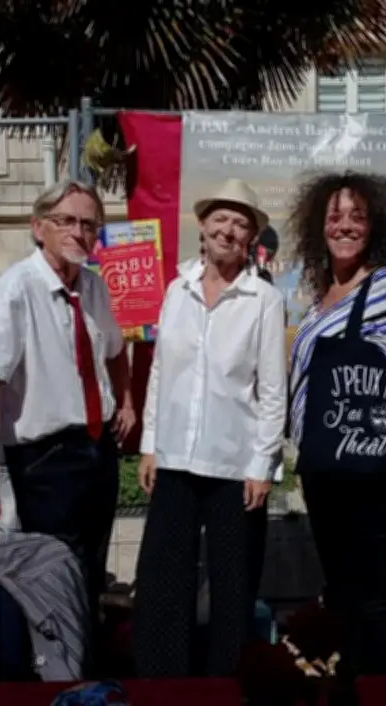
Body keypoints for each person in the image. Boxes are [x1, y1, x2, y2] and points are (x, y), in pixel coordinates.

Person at [0, 179, 136, 671]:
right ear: (39, 227)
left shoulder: (94, 285)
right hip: (45, 460)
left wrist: (125, 401)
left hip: (96, 449)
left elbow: (115, 350)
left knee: (88, 573)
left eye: (89, 224)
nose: (79, 232)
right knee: (51, 578)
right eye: (67, 221)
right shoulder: (14, 291)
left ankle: (81, 668)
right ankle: (55, 673)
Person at [286, 172, 386, 699]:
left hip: (372, 470)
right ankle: (355, 686)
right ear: (318, 226)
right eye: (335, 216)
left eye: (356, 216)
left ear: (374, 226)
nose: (345, 225)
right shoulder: (320, 299)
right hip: (324, 468)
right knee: (343, 591)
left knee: (376, 592)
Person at [133, 178, 287, 678]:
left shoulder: (263, 300)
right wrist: (150, 445)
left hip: (234, 467)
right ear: (202, 227)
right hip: (175, 459)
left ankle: (227, 684)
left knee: (232, 586)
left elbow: (271, 391)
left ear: (251, 239)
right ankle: (164, 682)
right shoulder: (176, 290)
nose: (229, 230)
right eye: (221, 219)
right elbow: (161, 372)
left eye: (241, 224)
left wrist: (262, 465)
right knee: (163, 583)